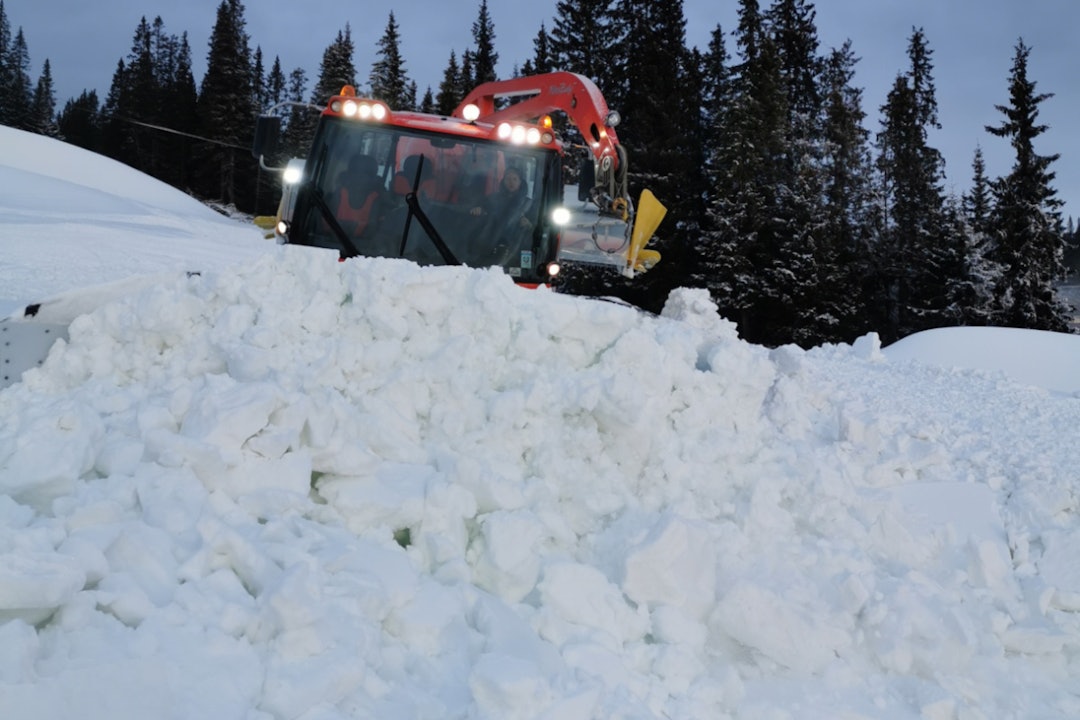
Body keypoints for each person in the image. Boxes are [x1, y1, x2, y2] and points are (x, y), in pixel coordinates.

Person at [335, 154, 383, 237]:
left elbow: (371, 232)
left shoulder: (375, 200)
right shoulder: (339, 195)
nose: (359, 177)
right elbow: (326, 227)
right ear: (349, 175)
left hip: (360, 244)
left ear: (372, 179)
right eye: (355, 172)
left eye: (365, 174)